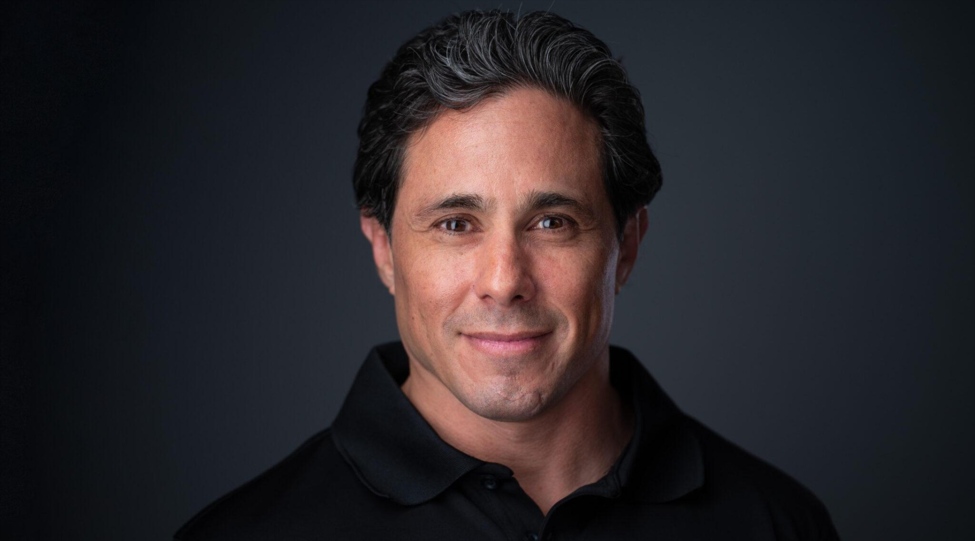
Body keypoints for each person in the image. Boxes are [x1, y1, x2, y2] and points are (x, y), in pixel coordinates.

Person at [175, 10, 839, 540]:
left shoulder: (776, 523)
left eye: (551, 222)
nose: (503, 280)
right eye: (455, 224)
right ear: (383, 250)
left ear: (627, 246)